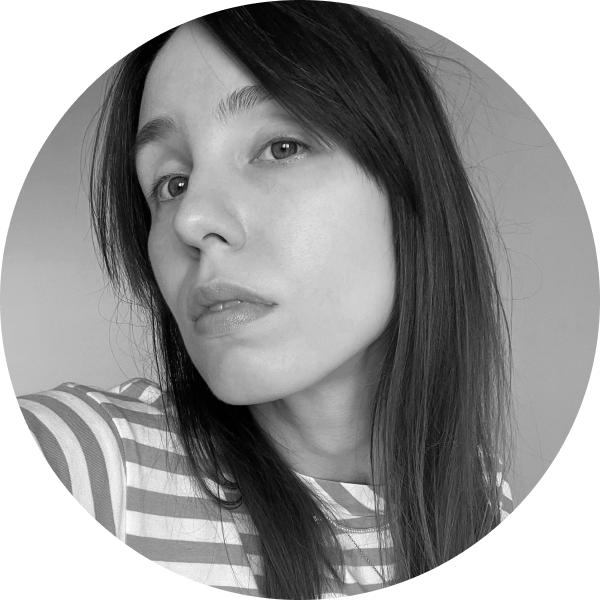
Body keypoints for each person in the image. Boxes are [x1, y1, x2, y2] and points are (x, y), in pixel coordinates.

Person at [17, 3, 514, 597]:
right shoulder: (90, 463)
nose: (191, 219)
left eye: (280, 147)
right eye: (171, 183)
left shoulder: (483, 500)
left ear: (413, 191)